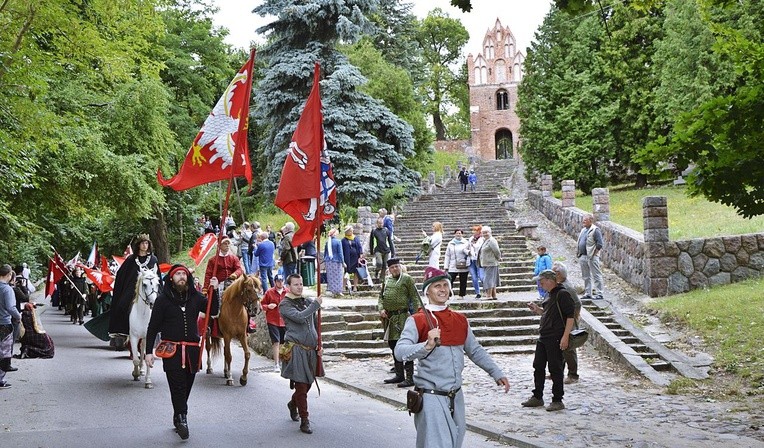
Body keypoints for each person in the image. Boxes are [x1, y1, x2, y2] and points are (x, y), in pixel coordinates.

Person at [395, 266, 510, 448]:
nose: (442, 289)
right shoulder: (417, 320)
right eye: (436, 286)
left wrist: (496, 372)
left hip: (455, 396)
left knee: (455, 442)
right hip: (431, 396)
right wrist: (426, 345)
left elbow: (475, 350)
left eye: (444, 285)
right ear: (427, 292)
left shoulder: (460, 319)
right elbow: (400, 352)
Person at [145, 265, 220, 440]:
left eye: (184, 274)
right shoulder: (162, 300)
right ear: (171, 278)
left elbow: (213, 310)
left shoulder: (195, 297)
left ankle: (178, 413)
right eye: (178, 274)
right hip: (172, 350)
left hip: (193, 350)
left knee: (186, 386)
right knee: (177, 385)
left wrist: (214, 292)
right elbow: (153, 327)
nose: (181, 277)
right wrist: (148, 352)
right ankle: (182, 419)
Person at [522, 269, 575, 412]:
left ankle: (557, 399)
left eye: (542, 280)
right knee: (538, 366)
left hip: (556, 336)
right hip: (544, 336)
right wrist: (537, 309)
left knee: (555, 368)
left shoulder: (562, 294)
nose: (540, 283)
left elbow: (571, 316)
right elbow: (546, 313)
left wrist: (565, 337)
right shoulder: (549, 295)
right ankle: (537, 396)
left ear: (550, 280)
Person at [279, 274, 323, 435]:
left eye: (301, 283)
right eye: (296, 284)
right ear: (288, 286)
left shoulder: (307, 301)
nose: (299, 287)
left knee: (308, 383)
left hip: (311, 350)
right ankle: (305, 420)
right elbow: (299, 317)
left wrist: (320, 344)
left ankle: (293, 403)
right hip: (296, 349)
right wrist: (315, 305)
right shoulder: (284, 304)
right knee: (302, 385)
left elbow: (315, 324)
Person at [109, 234, 159, 349]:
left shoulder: (153, 259)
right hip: (132, 289)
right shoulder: (131, 259)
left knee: (158, 306)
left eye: (146, 243)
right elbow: (122, 274)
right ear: (138, 245)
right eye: (142, 243)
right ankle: (122, 333)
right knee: (122, 305)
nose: (144, 245)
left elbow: (157, 276)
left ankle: (157, 332)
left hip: (148, 289)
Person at [378, 258, 418, 387]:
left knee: (406, 346)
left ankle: (410, 377)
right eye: (392, 267)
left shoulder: (407, 279)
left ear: (400, 267)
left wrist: (416, 316)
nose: (395, 269)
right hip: (390, 318)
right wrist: (381, 309)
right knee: (393, 345)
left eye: (396, 266)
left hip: (403, 317)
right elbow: (380, 297)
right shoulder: (387, 280)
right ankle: (399, 375)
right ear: (389, 269)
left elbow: (414, 297)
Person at [552, 261, 582, 384]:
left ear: (558, 274)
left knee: (569, 348)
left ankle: (573, 375)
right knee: (562, 348)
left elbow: (577, 303)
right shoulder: (560, 286)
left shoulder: (567, 287)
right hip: (561, 322)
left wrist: (574, 315)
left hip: (568, 322)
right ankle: (560, 372)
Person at [1, 264, 23, 388]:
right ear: (9, 275)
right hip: (4, 323)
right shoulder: (7, 289)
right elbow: (10, 307)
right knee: (4, 351)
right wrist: (18, 316)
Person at [261, 274, 287, 372]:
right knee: (276, 342)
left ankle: (284, 362)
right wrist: (268, 307)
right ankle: (276, 364)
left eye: (281, 281)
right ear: (275, 282)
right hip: (273, 320)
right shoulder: (269, 292)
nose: (280, 283)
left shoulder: (287, 292)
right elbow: (262, 304)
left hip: (284, 321)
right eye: (278, 281)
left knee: (284, 342)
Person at [577, 213, 604, 300]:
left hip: (592, 257)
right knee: (586, 276)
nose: (583, 221)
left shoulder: (596, 230)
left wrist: (594, 254)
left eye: (585, 220)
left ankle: (599, 293)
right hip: (583, 256)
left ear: (591, 220)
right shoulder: (583, 230)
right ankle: (588, 293)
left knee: (596, 275)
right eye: (583, 220)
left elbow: (599, 244)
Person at [443, 229, 471, 300]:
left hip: (463, 264)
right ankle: (449, 294)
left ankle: (461, 295)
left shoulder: (466, 242)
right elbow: (447, 255)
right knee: (449, 279)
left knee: (463, 280)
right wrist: (446, 266)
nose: (458, 234)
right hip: (453, 264)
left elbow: (470, 253)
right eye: (457, 233)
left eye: (460, 233)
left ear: (462, 234)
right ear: (454, 234)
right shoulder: (450, 243)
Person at [476, 226, 501, 300]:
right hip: (487, 263)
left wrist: (498, 258)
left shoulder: (492, 240)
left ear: (490, 232)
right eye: (483, 233)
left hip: (491, 263)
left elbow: (496, 251)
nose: (485, 234)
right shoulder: (486, 240)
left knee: (488, 279)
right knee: (491, 279)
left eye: (486, 232)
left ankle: (488, 295)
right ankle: (494, 295)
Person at [369, 218, 394, 284]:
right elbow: (371, 242)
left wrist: (392, 251)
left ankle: (382, 279)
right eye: (379, 223)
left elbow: (390, 241)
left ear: (383, 223)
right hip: (378, 250)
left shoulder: (386, 230)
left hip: (386, 250)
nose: (380, 224)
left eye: (381, 223)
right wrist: (371, 251)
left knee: (385, 265)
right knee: (379, 263)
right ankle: (376, 271)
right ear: (377, 224)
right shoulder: (374, 231)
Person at [341, 226, 364, 293]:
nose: (351, 232)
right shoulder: (343, 240)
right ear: (346, 232)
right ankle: (343, 286)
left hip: (356, 258)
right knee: (346, 272)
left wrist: (361, 255)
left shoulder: (356, 238)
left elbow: (359, 247)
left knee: (356, 272)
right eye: (350, 231)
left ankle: (355, 287)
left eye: (352, 231)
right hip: (347, 258)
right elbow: (341, 249)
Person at [323, 228, 345, 296]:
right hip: (336, 261)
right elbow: (340, 253)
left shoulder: (327, 242)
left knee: (330, 276)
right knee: (338, 276)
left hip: (328, 261)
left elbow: (325, 253)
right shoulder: (338, 241)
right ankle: (338, 290)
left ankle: (332, 290)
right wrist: (343, 262)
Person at [466, 225, 484, 299]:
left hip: (479, 259)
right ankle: (478, 292)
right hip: (471, 259)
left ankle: (486, 290)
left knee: (481, 276)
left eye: (475, 230)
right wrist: (468, 252)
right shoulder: (470, 239)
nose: (474, 232)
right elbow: (466, 248)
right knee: (474, 277)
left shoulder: (482, 239)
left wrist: (473, 245)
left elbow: (478, 247)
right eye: (473, 230)